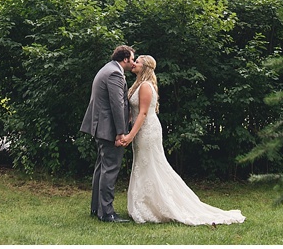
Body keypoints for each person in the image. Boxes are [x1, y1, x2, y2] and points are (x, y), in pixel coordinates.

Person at [122, 55, 245, 225]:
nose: (133, 64)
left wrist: (130, 135)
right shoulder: (138, 84)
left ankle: (156, 205)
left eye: (137, 62)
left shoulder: (145, 86)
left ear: (145, 67)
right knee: (143, 165)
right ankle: (144, 203)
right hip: (141, 129)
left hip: (147, 130)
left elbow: (142, 113)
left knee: (150, 165)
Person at [80, 45, 136, 222]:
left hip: (101, 127)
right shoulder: (115, 73)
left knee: (101, 168)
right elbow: (117, 104)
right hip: (108, 129)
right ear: (125, 58)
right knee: (110, 169)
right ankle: (107, 213)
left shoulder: (108, 68)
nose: (133, 62)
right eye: (132, 59)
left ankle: (97, 208)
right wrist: (121, 132)